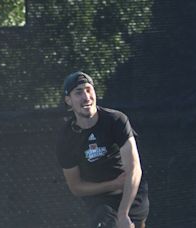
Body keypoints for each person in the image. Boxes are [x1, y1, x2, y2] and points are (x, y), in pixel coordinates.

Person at [56, 71, 149, 228]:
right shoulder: (66, 138)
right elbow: (76, 187)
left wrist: (123, 213)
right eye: (78, 92)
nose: (86, 97)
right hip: (102, 200)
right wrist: (111, 185)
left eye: (88, 90)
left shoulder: (116, 120)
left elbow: (134, 170)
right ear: (68, 101)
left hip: (131, 194)